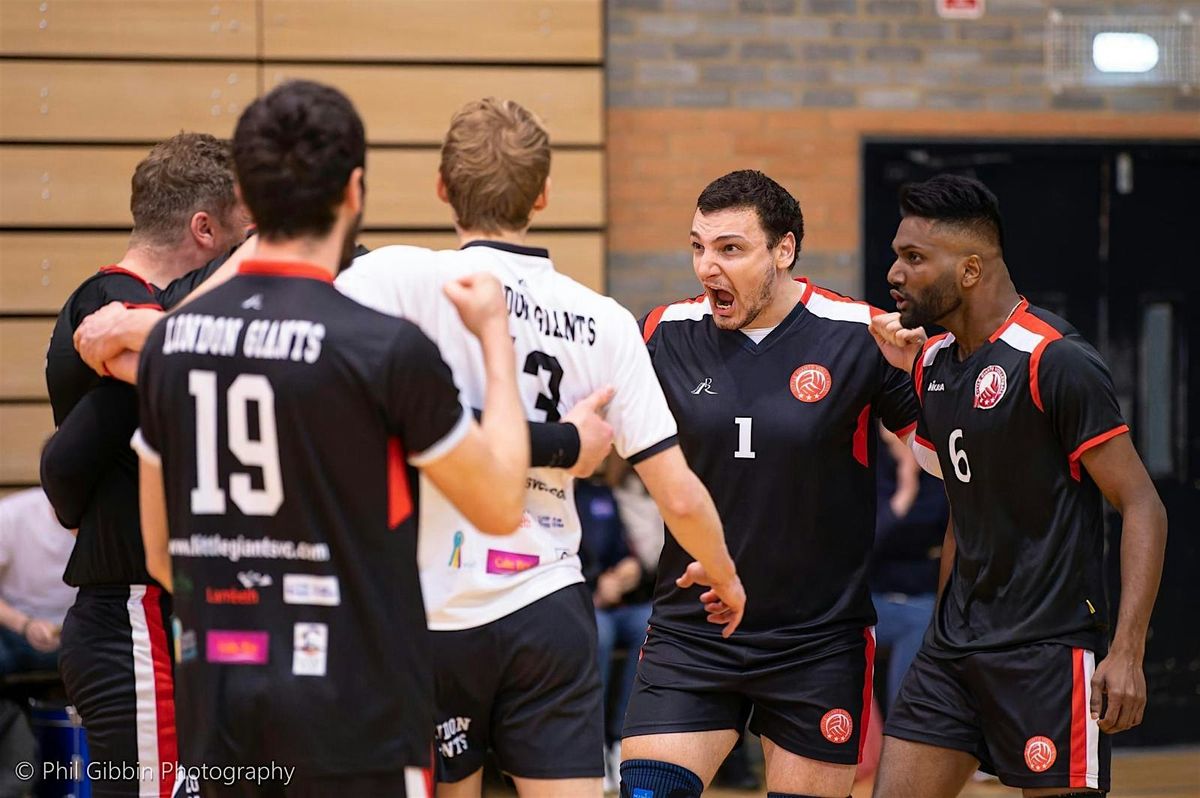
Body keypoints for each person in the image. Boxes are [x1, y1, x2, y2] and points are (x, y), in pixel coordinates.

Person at [335, 97, 743, 798]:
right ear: (545, 194)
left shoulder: (388, 279)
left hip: (432, 604)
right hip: (547, 600)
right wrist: (725, 573)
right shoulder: (605, 319)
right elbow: (676, 492)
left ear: (441, 186)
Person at [131, 79, 530, 797]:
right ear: (354, 192)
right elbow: (502, 504)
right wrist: (495, 338)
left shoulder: (170, 345)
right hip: (358, 721)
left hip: (220, 713)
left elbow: (162, 557)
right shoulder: (383, 348)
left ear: (246, 202)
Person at [622, 169, 920, 798]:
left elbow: (947, 460)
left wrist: (916, 379)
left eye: (731, 248)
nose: (708, 267)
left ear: (783, 251)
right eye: (699, 246)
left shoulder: (859, 334)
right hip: (692, 630)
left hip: (816, 641)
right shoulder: (662, 333)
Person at [870, 174, 1168, 797]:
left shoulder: (1053, 359)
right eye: (898, 255)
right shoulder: (934, 362)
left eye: (914, 258)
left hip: (1046, 647)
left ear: (972, 269)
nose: (895, 273)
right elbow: (956, 488)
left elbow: (1142, 504)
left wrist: (1128, 651)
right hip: (952, 649)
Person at [39, 131, 248, 798]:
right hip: (136, 613)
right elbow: (64, 464)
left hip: (153, 609)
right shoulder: (118, 307)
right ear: (206, 228)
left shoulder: (115, 305)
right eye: (247, 230)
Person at [575, 459, 654, 791]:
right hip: (580, 600)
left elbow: (622, 546)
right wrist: (595, 585)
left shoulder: (601, 491)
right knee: (602, 635)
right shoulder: (561, 491)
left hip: (619, 600)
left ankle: (622, 739)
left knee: (650, 624)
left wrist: (630, 568)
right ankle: (593, 743)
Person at [868, 425, 948, 714]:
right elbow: (867, 545)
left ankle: (910, 726)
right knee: (918, 622)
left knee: (926, 619)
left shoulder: (936, 468)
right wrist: (905, 491)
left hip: (923, 598)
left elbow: (946, 536)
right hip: (873, 601)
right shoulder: (868, 465)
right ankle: (899, 724)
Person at [0, 488, 77, 675]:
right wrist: (26, 625)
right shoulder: (11, 514)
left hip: (82, 634)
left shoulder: (105, 521)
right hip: (14, 631)